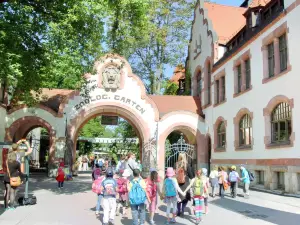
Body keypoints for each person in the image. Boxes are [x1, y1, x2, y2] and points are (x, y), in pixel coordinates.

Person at [3, 139, 32, 210]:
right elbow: (29, 151)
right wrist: (26, 142)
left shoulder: (7, 159)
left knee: (7, 191)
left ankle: (6, 207)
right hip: (14, 177)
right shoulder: (18, 158)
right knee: (12, 192)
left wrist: (18, 142)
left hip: (7, 176)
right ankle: (12, 207)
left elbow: (13, 147)